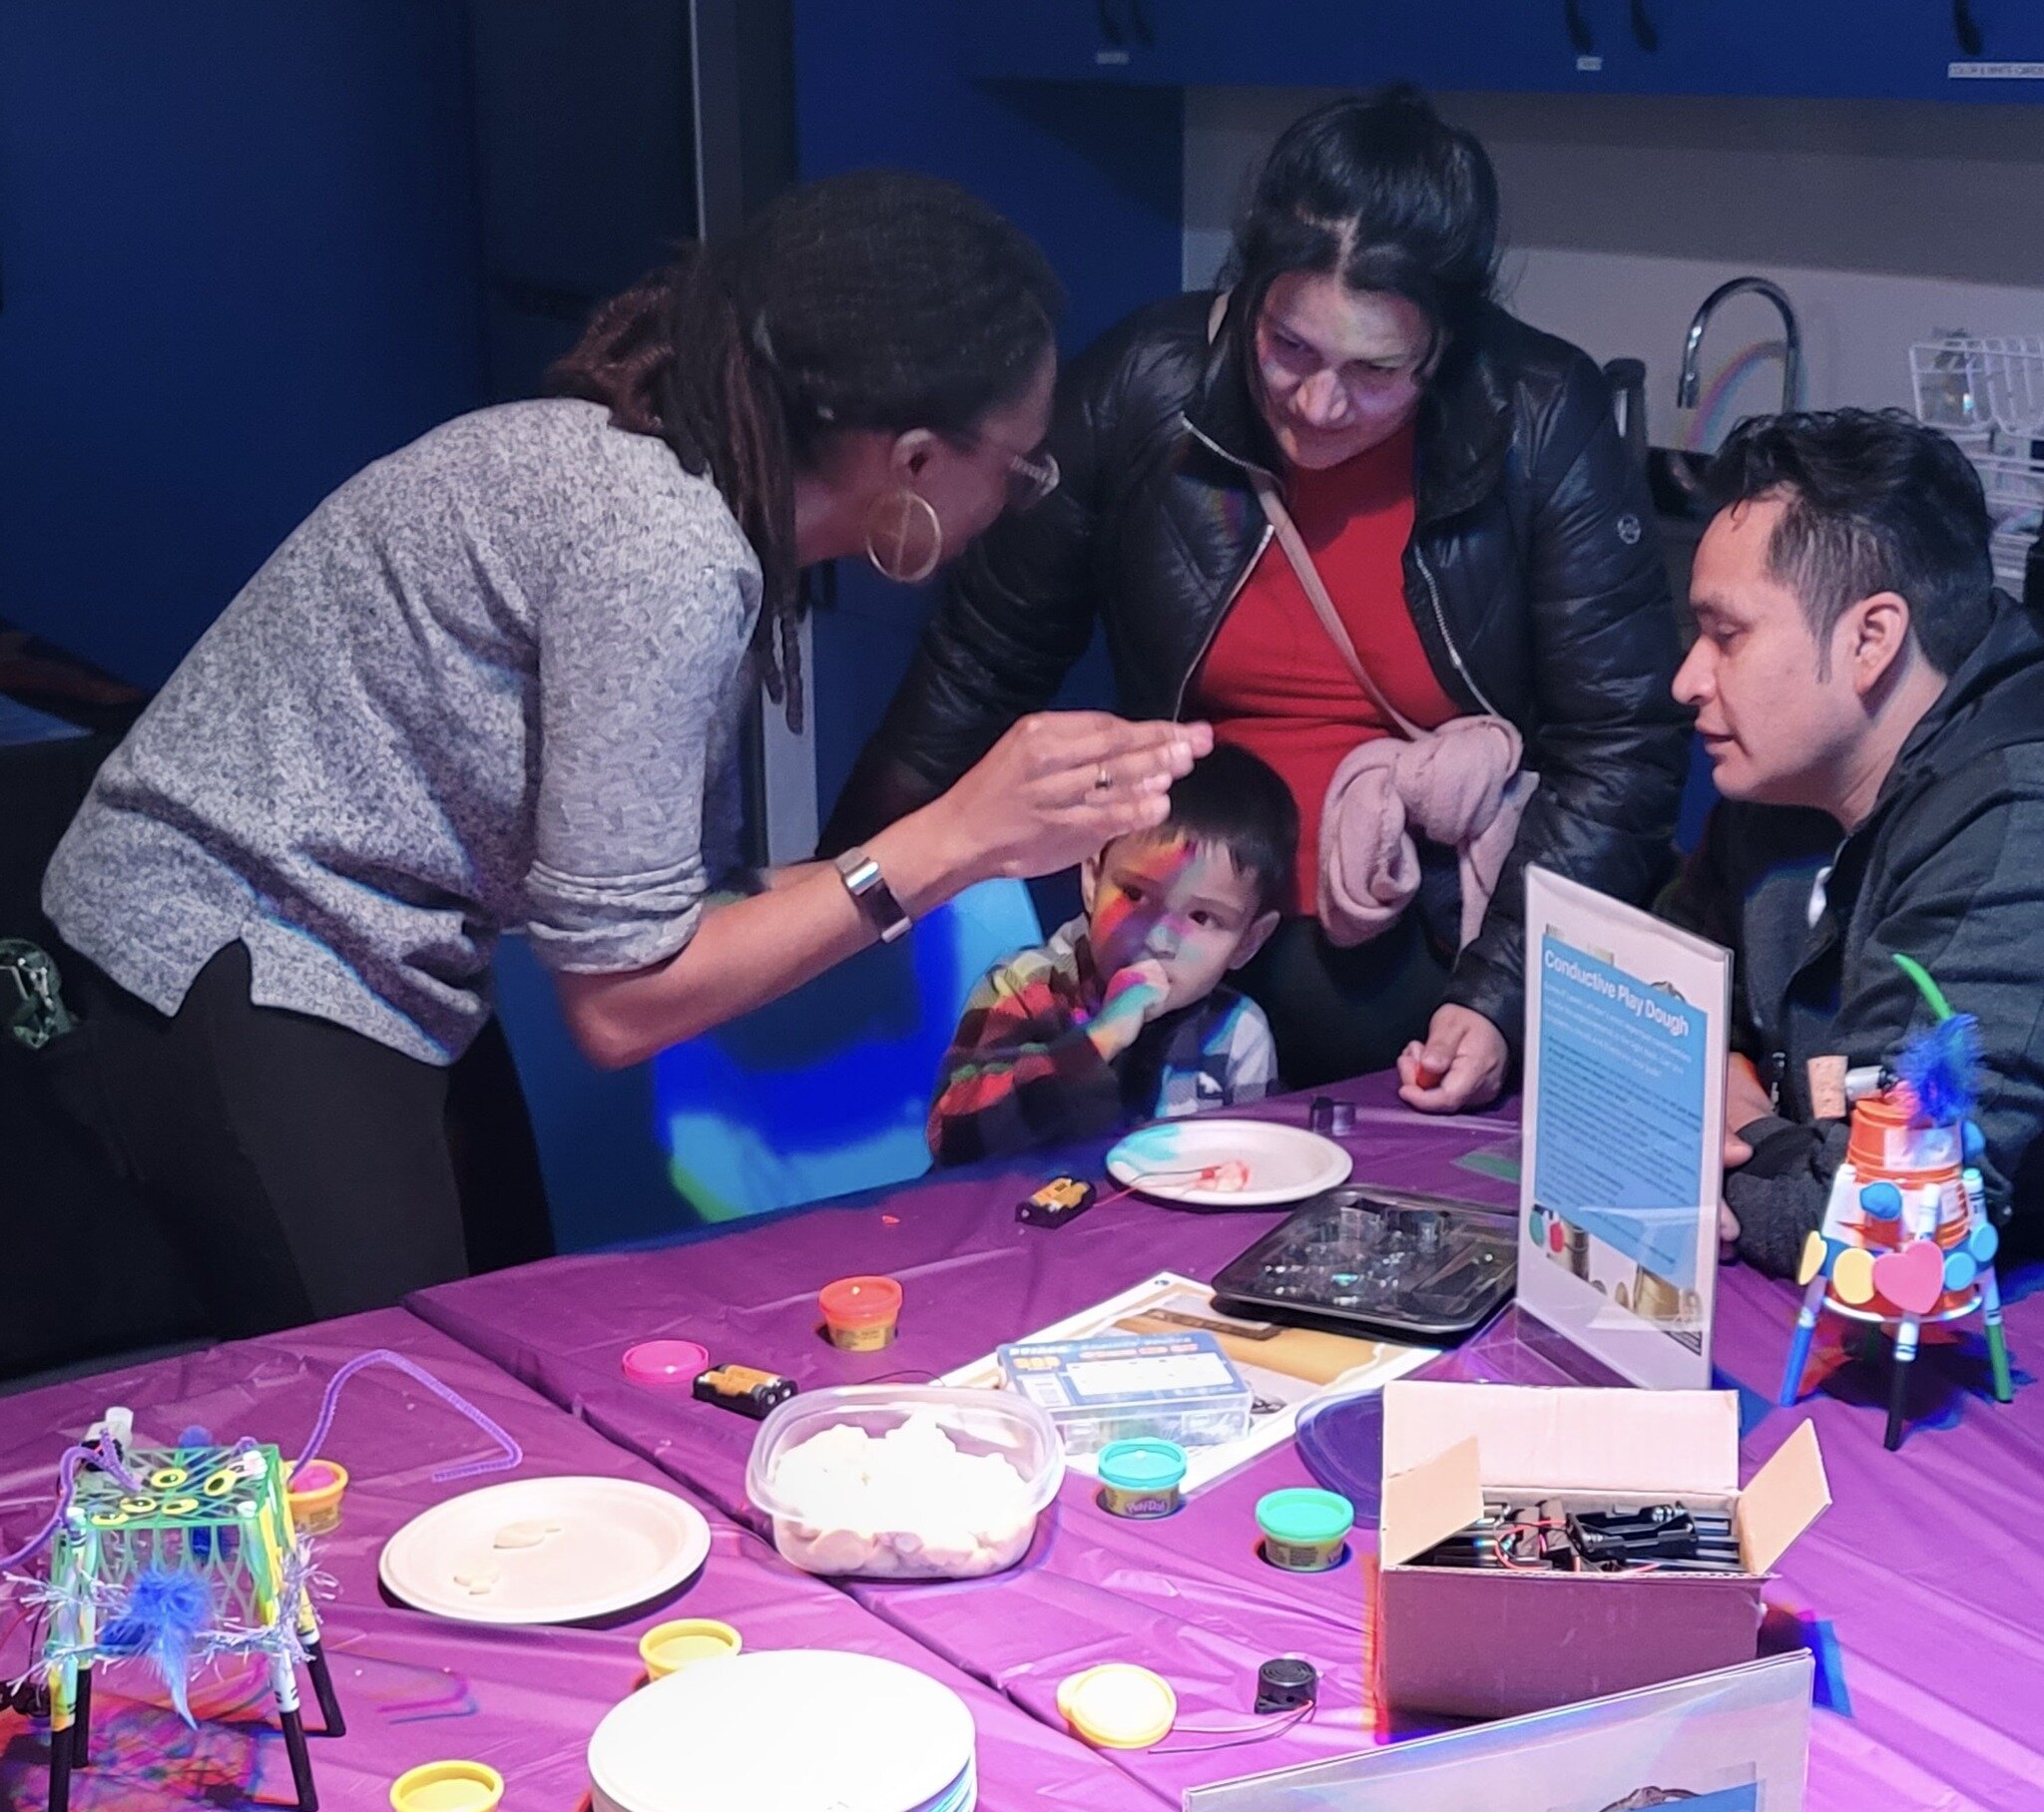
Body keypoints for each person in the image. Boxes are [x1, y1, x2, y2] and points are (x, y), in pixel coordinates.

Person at [39, 171, 1214, 1338]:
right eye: (1018, 465)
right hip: (238, 939)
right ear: (910, 459)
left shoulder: (686, 488)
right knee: (397, 1390)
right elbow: (621, 1000)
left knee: (489, 1342)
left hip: (366, 946)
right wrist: (947, 837)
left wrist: (975, 840)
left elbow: (667, 913)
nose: (1020, 495)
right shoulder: (665, 553)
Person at [823, 87, 1686, 1112]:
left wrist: (1497, 998)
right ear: (1247, 293)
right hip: (1181, 917)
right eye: (1288, 348)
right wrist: (836, 912)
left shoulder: (1538, 419)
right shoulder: (1144, 385)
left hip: (1437, 941)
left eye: (1374, 372)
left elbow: (1622, 746)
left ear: (1443, 348)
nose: (1319, 406)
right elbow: (975, 671)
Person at [1661, 408, 2044, 1278]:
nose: (1688, 678)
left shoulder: (2017, 828)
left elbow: (1885, 1230)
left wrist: (1733, 1119)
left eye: (1728, 637)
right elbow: (1666, 985)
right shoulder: (1784, 769)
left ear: (1871, 637)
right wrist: (1716, 1063)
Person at [927, 742, 1293, 1164]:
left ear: (1247, 941)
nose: (1159, 940)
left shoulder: (1238, 1033)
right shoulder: (1027, 988)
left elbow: (1252, 1170)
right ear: (1092, 879)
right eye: (1136, 895)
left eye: (1201, 918)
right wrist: (1097, 1041)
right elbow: (952, 1137)